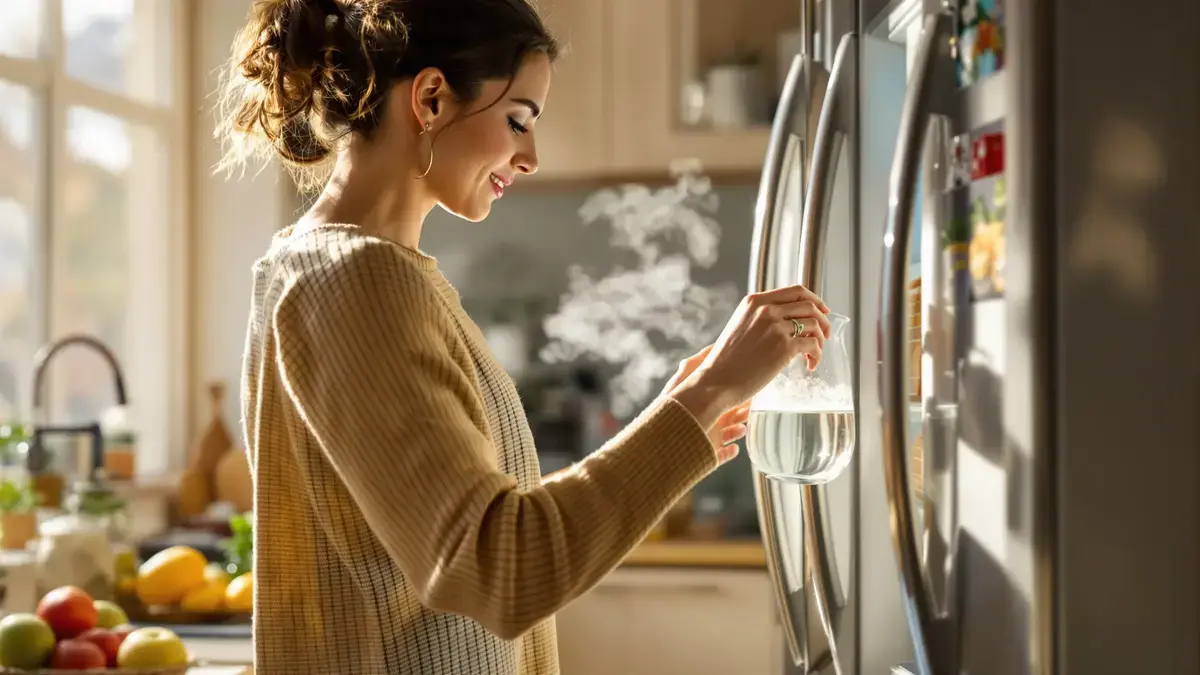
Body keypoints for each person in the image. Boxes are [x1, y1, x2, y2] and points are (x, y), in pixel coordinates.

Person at [217, 0, 833, 673]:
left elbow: (483, 528)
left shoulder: (337, 269)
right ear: (430, 98)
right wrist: (706, 393)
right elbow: (498, 567)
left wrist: (684, 414)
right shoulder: (357, 279)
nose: (531, 156)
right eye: (518, 120)